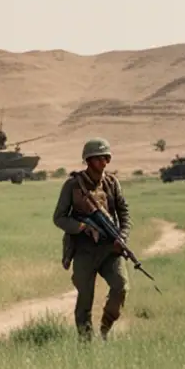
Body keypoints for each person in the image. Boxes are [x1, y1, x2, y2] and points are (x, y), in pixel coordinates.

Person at [53, 138, 131, 339]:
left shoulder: (112, 184)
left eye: (106, 158)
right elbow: (59, 217)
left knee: (121, 287)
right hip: (83, 250)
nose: (104, 163)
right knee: (85, 299)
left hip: (110, 249)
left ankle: (105, 328)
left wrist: (122, 237)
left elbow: (124, 212)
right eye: (99, 159)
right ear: (88, 161)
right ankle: (85, 343)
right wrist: (82, 227)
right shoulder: (72, 185)